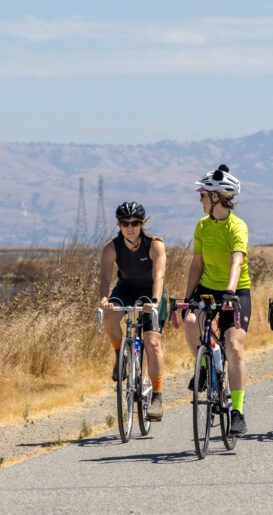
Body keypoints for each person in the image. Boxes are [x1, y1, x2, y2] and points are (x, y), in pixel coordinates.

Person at [183, 164, 252, 436]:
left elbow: (237, 261)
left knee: (233, 346)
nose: (200, 200)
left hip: (236, 291)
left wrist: (230, 292)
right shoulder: (202, 226)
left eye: (203, 195)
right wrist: (188, 297)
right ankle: (203, 368)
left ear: (216, 197)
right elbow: (196, 264)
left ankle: (237, 412)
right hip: (207, 288)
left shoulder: (238, 227)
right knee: (191, 322)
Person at [98, 201, 167, 420]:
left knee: (152, 341)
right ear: (118, 224)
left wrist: (154, 302)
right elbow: (105, 277)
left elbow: (159, 276)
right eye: (125, 223)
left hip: (151, 291)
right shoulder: (111, 247)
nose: (130, 227)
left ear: (142, 224)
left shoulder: (155, 245)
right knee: (109, 318)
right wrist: (103, 299)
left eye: (135, 223)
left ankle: (157, 395)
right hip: (126, 288)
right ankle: (121, 353)